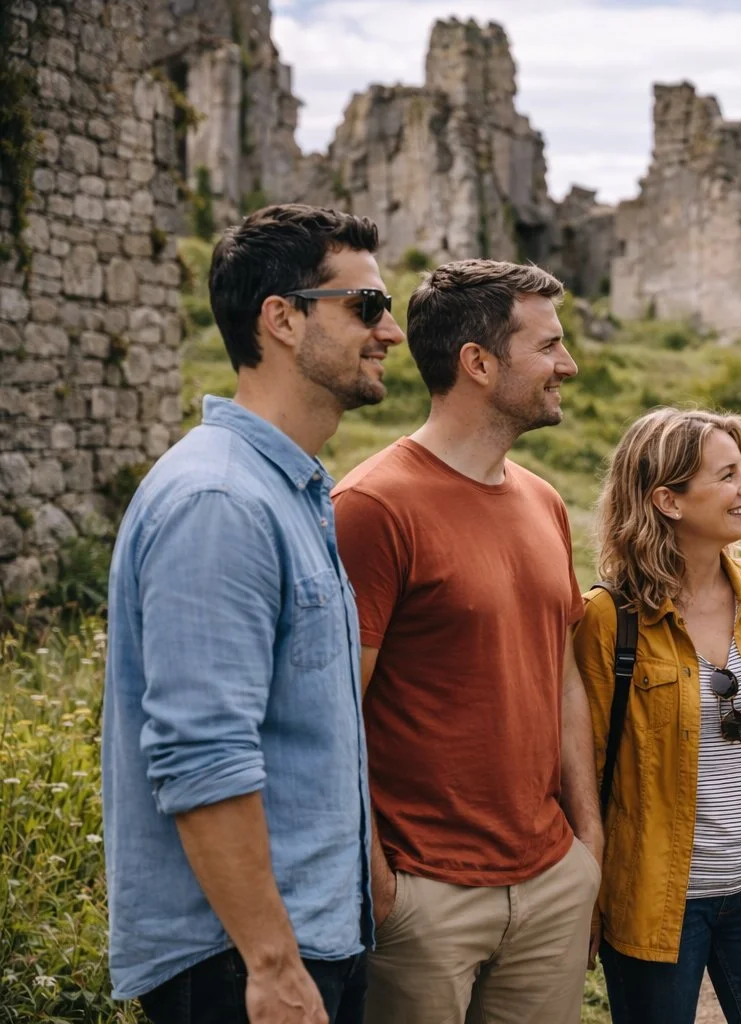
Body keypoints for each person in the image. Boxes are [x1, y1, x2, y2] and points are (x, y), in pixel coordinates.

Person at [103, 204, 404, 1023]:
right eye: (367, 308)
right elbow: (203, 756)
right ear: (282, 319)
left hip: (305, 937)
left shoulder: (291, 491)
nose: (393, 332)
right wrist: (272, 964)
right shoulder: (221, 501)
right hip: (238, 964)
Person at [331, 260, 601, 1024]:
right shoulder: (371, 508)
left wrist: (590, 845)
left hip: (551, 881)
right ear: (477, 363)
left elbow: (563, 676)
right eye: (548, 346)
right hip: (425, 899)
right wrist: (383, 885)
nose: (568, 365)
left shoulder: (544, 501)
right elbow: (335, 714)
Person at [572, 407, 741, 1024]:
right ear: (668, 499)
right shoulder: (608, 619)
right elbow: (577, 769)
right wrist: (585, 894)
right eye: (728, 475)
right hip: (655, 898)